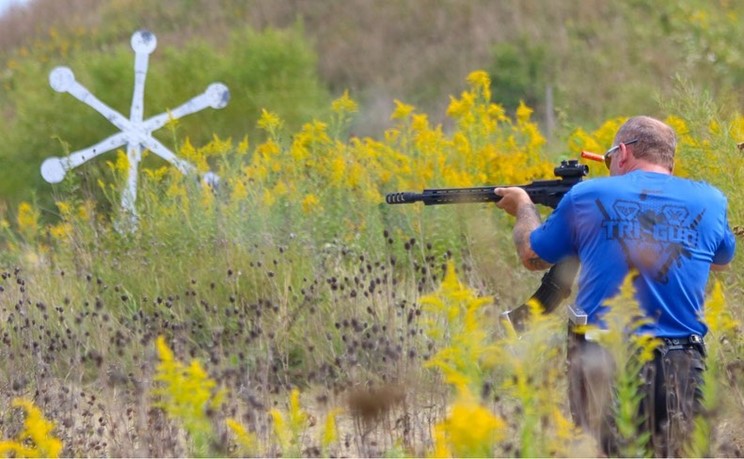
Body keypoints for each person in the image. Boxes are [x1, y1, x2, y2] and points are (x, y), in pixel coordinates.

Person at [494, 116, 736, 456]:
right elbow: (721, 259)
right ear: (671, 161)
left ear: (622, 152)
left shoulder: (587, 195)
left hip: (603, 359)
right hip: (682, 362)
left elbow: (533, 254)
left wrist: (523, 207)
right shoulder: (711, 201)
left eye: (608, 159)